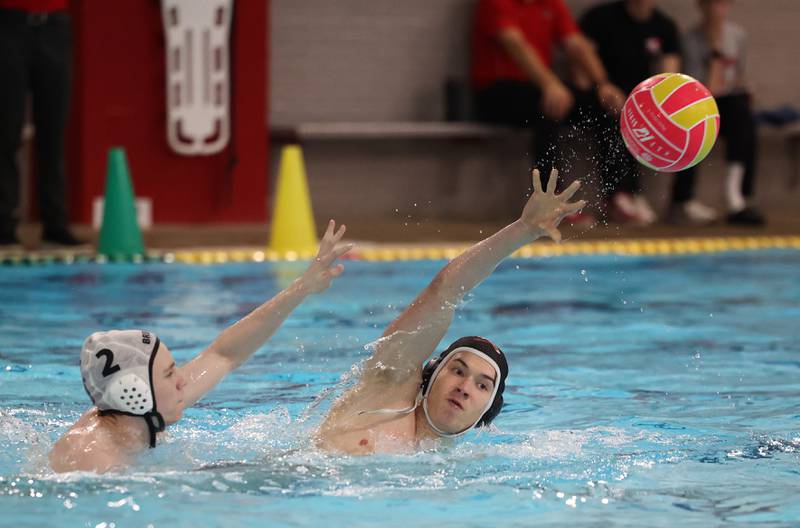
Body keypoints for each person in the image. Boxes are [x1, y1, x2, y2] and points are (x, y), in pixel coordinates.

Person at [315, 169, 585, 454]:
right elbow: (445, 291)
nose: (464, 388)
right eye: (458, 371)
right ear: (431, 373)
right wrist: (524, 230)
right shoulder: (388, 387)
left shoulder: (462, 470)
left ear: (487, 412)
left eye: (482, 386)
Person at [49, 221, 353, 473]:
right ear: (134, 393)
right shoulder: (91, 460)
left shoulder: (136, 413)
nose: (183, 379)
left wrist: (302, 288)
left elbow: (224, 354)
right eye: (169, 374)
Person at [470, 0, 619, 224]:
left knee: (604, 107)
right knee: (549, 106)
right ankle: (549, 205)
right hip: (497, 93)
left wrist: (603, 84)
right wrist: (550, 84)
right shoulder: (496, 3)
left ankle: (619, 197)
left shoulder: (551, 3)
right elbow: (515, 45)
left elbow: (576, 45)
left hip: (538, 88)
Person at [577, 0, 684, 225]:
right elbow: (579, 64)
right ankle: (618, 195)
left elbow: (669, 72)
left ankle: (653, 196)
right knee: (616, 115)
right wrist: (602, 85)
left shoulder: (664, 26)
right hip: (601, 94)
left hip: (640, 100)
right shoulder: (600, 18)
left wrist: (659, 104)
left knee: (658, 119)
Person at [668, 0, 765, 226]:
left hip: (731, 102)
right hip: (700, 102)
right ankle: (683, 199)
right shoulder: (690, 39)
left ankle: (737, 195)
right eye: (712, 5)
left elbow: (740, 75)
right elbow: (701, 88)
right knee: (691, 128)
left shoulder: (738, 35)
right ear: (702, 7)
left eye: (722, 5)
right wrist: (714, 51)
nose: (717, 11)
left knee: (744, 119)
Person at [0, 0, 83, 248]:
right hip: (8, 24)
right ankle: (3, 227)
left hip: (55, 23)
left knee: (54, 131)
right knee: (5, 133)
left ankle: (55, 226)